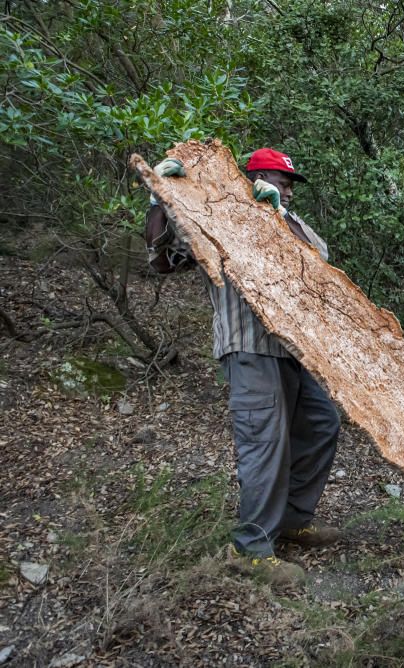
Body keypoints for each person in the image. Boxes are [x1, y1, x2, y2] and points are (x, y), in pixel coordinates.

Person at [144, 148, 341, 586]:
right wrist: (160, 198)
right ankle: (250, 548)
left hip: (295, 349)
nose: (286, 189)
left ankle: (292, 518)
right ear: (251, 178)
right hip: (249, 348)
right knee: (264, 443)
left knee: (322, 423)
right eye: (278, 180)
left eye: (288, 184)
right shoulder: (216, 217)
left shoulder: (291, 221)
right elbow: (162, 259)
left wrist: (277, 213)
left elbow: (319, 260)